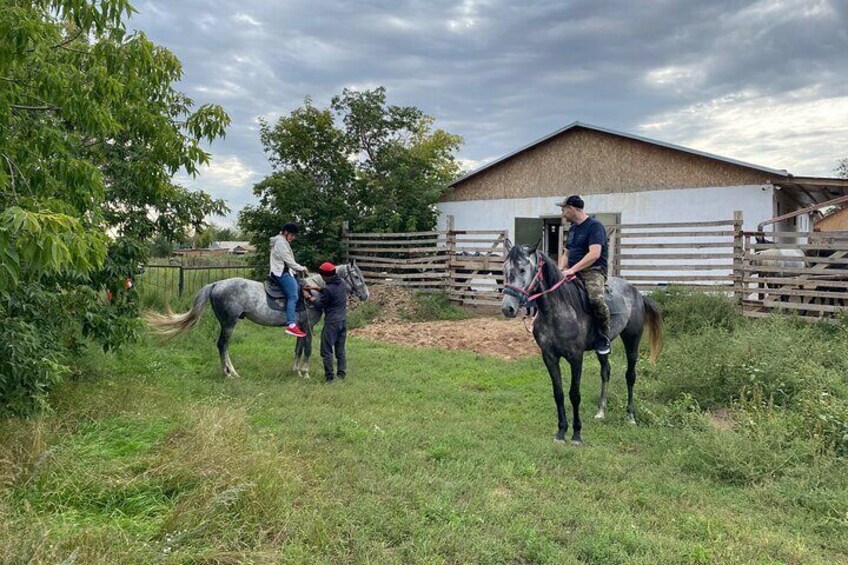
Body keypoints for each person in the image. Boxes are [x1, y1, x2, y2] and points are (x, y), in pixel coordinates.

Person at [557, 195, 611, 355]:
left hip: (593, 271)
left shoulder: (595, 226)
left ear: (572, 208)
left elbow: (595, 254)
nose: (562, 213)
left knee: (595, 299)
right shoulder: (573, 229)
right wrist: (561, 269)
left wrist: (573, 270)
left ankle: (603, 336)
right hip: (571, 270)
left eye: (563, 209)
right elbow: (566, 253)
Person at [308, 261, 347, 382]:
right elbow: (329, 290)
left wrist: (309, 297)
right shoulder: (342, 283)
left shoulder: (329, 289)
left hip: (332, 323)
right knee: (340, 350)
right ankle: (341, 374)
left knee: (326, 350)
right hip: (343, 321)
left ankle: (329, 377)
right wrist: (316, 288)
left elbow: (320, 305)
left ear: (325, 276)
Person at [270, 222, 308, 338]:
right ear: (285, 232)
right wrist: (301, 268)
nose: (293, 237)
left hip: (285, 271)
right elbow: (288, 260)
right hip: (281, 273)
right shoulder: (281, 242)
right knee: (293, 295)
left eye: (294, 235)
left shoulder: (282, 241)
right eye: (292, 235)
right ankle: (291, 324)